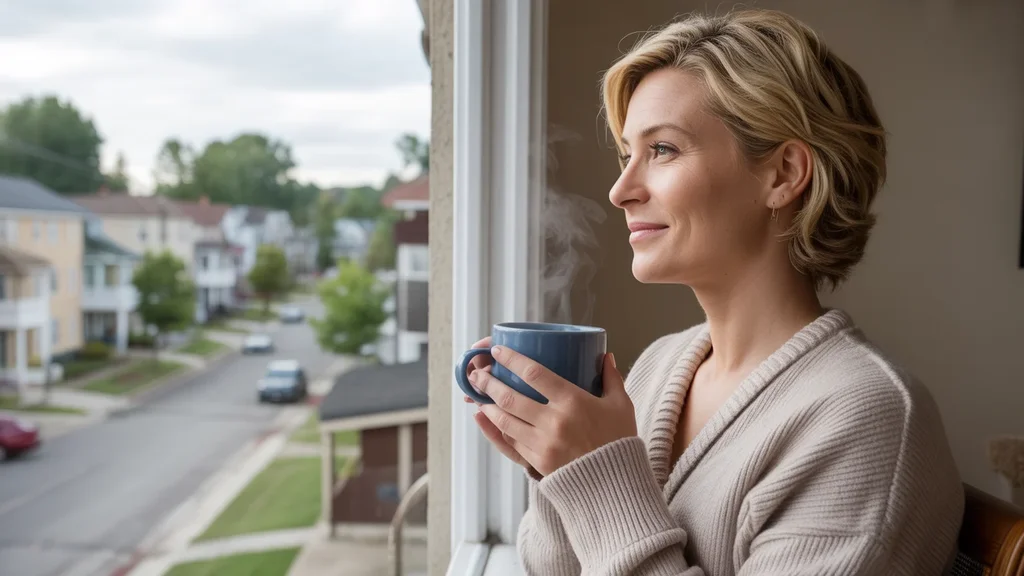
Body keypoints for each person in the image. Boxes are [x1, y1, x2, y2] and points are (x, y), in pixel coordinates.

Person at [463, 8, 964, 576]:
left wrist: (598, 473)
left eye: (664, 150)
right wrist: (559, 466)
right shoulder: (658, 366)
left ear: (783, 174)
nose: (620, 191)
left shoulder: (867, 420)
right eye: (628, 155)